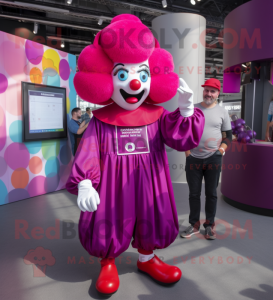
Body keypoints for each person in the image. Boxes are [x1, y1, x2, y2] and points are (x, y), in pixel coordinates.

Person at [66, 14, 205, 296]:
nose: (134, 84)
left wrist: (187, 110)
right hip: (112, 183)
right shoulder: (101, 120)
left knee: (152, 213)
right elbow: (89, 151)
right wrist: (84, 182)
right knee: (110, 215)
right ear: (106, 77)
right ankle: (108, 261)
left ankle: (146, 258)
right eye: (122, 74)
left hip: (150, 180)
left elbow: (181, 139)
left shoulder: (157, 115)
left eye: (142, 75)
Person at [180, 78, 232, 240]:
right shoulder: (192, 109)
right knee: (194, 194)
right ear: (203, 91)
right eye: (206, 90)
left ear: (217, 94)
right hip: (193, 158)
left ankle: (209, 226)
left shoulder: (222, 112)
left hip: (213, 159)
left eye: (212, 91)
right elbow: (183, 133)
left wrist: (221, 151)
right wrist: (187, 153)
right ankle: (194, 225)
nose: (208, 93)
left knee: (211, 194)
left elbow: (228, 137)